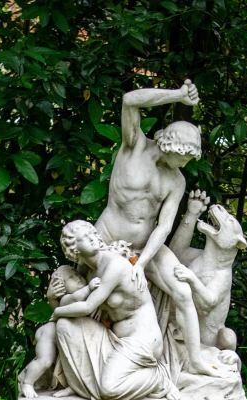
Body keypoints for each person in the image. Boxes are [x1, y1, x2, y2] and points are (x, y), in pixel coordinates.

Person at [94, 80, 219, 377]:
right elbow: (129, 100)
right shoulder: (133, 146)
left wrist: (143, 263)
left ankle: (196, 360)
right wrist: (178, 96)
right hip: (108, 242)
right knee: (99, 301)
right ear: (169, 145)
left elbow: (163, 227)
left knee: (183, 292)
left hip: (146, 248)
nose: (186, 164)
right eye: (184, 157)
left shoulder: (176, 180)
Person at [51, 220, 179, 400]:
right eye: (84, 238)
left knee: (109, 390)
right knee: (64, 326)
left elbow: (87, 307)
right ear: (75, 250)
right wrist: (52, 300)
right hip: (113, 340)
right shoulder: (87, 272)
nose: (93, 238)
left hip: (141, 339)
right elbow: (70, 301)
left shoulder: (115, 265)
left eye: (92, 233)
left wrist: (57, 312)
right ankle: (80, 385)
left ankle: (159, 378)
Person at [17, 266, 100, 398]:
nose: (78, 278)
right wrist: (89, 288)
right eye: (71, 278)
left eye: (78, 275)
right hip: (50, 334)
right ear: (61, 287)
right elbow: (76, 298)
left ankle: (74, 385)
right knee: (45, 360)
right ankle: (27, 382)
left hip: (69, 335)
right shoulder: (67, 299)